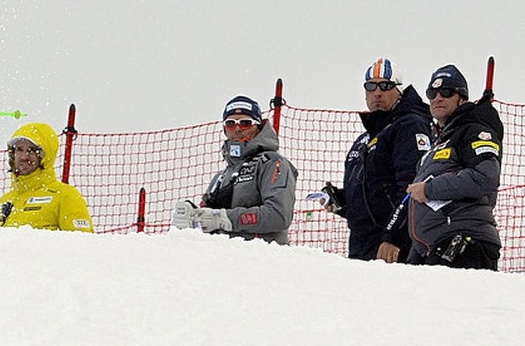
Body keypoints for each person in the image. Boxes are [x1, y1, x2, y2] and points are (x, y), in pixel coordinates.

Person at [316, 59, 431, 262]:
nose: (377, 92)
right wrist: (342, 202)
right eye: (371, 86)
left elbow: (412, 187)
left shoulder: (410, 125)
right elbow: (374, 195)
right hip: (362, 244)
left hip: (393, 246)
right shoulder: (365, 139)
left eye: (386, 86)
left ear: (400, 91)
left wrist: (394, 237)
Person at [405, 64, 503, 270]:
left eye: (447, 91)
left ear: (462, 98)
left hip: (465, 245)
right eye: (432, 92)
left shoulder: (473, 131)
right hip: (434, 248)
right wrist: (414, 258)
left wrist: (430, 189)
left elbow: (486, 177)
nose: (438, 97)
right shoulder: (436, 146)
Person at [171, 95, 299, 244]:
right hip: (224, 259)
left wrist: (224, 218)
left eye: (245, 123)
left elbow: (278, 215)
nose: (237, 128)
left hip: (263, 259)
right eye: (231, 123)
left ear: (257, 127)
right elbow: (209, 216)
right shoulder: (221, 176)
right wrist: (193, 216)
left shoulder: (272, 163)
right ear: (225, 129)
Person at [0, 122, 94, 232]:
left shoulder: (65, 196)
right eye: (19, 150)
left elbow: (81, 242)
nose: (24, 157)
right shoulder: (5, 201)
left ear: (44, 156)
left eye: (31, 150)